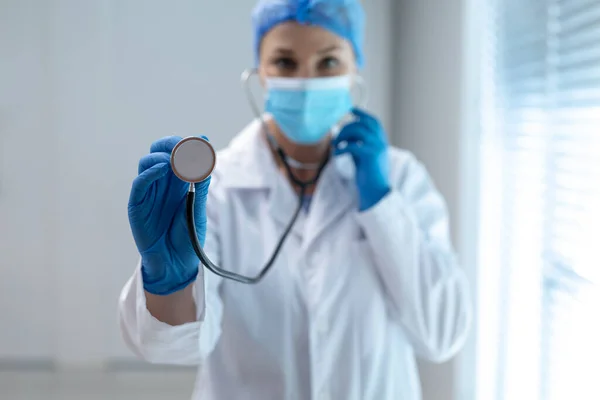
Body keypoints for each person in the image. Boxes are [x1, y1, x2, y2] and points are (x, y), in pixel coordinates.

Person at [119, 0, 472, 399]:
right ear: (260, 74)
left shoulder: (401, 178)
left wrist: (381, 204)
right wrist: (172, 283)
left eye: (328, 63)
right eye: (285, 62)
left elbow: (442, 333)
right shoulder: (217, 190)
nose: (306, 79)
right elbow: (173, 347)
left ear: (355, 68)